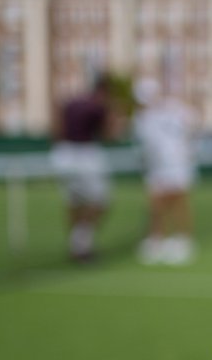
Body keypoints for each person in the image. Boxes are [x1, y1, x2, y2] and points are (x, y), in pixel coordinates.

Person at [51, 72, 118, 261]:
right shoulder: (100, 106)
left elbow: (56, 128)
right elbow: (109, 136)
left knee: (75, 202)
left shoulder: (72, 102)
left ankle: (77, 245)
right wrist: (115, 117)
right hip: (85, 156)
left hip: (62, 154)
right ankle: (81, 242)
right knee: (101, 201)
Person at [133, 78, 197, 265]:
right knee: (156, 204)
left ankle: (183, 240)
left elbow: (192, 123)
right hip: (157, 167)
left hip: (178, 164)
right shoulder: (142, 118)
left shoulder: (174, 108)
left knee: (178, 201)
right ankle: (157, 240)